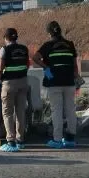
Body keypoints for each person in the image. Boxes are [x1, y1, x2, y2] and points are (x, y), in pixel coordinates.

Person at [33, 21, 81, 149]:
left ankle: (57, 139)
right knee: (71, 110)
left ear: (49, 33)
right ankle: (70, 139)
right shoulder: (69, 45)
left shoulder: (48, 45)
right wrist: (76, 78)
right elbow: (75, 65)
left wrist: (46, 67)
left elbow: (35, 58)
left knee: (57, 111)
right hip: (69, 81)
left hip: (54, 82)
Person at [0, 28, 29, 153]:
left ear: (6, 38)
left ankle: (11, 141)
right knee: (20, 111)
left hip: (9, 84)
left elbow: (0, 68)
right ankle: (20, 140)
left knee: (8, 112)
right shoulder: (24, 49)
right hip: (23, 82)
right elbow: (27, 65)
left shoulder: (4, 50)